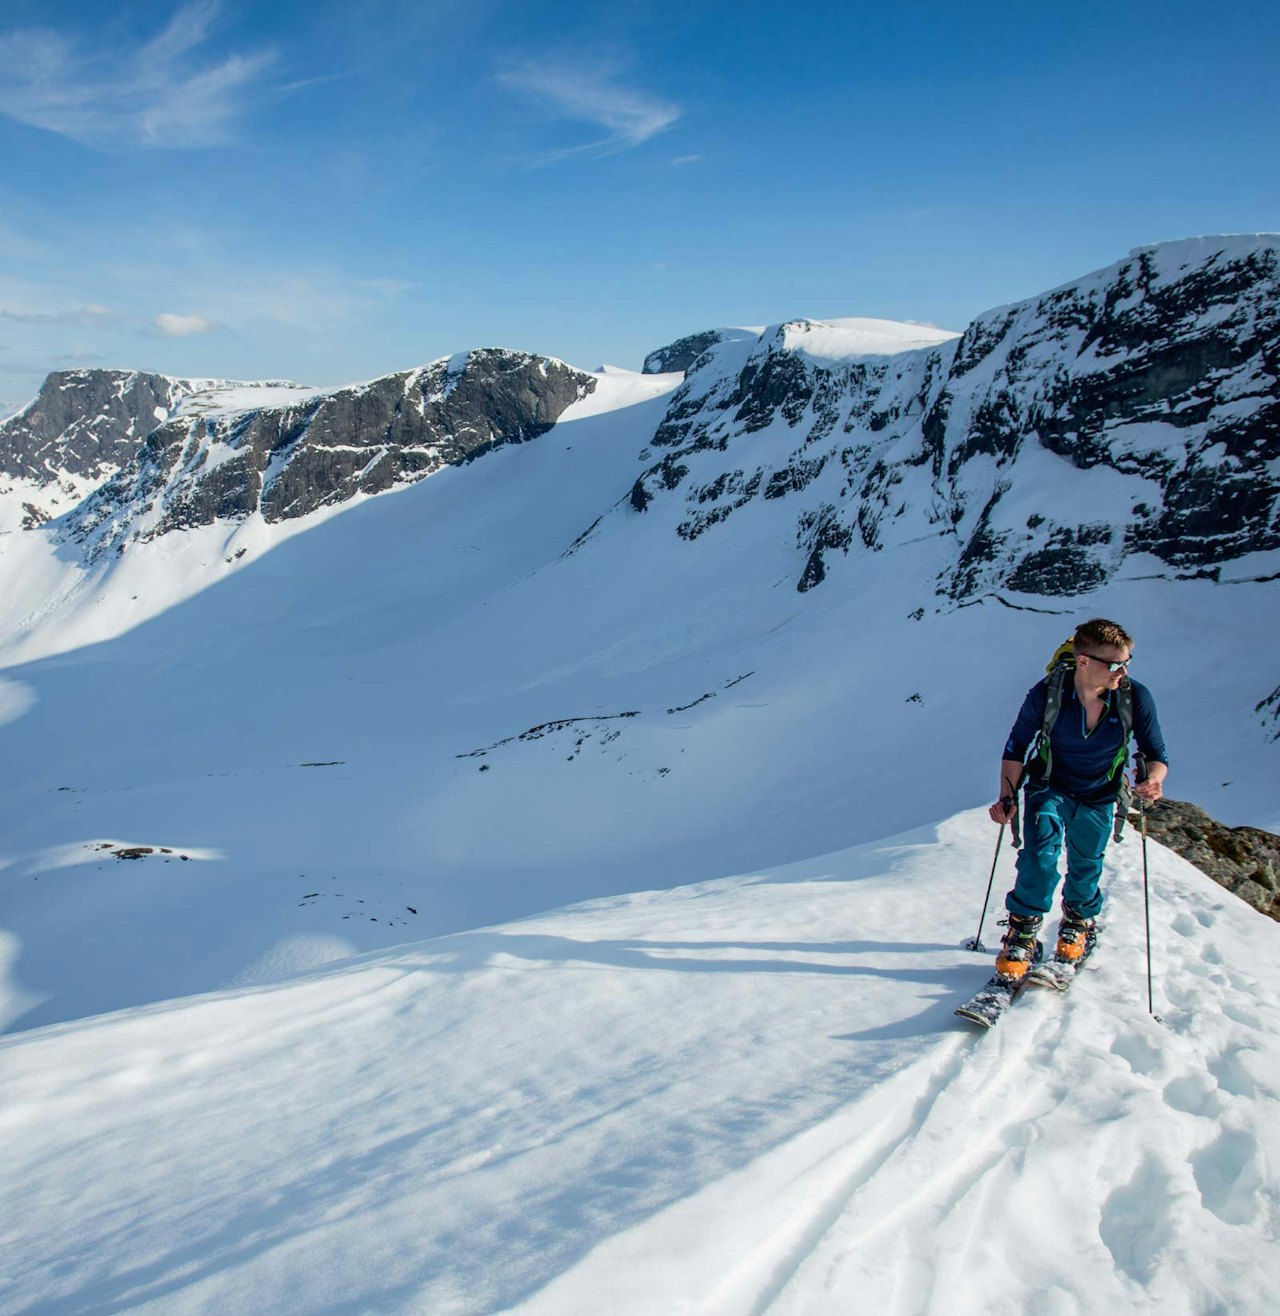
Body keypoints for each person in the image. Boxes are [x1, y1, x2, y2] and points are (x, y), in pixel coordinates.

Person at [987, 618, 1168, 981]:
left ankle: (1078, 922)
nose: (1123, 671)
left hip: (1101, 794)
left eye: (1127, 662)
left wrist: (1154, 780)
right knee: (1039, 857)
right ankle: (1022, 933)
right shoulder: (1048, 693)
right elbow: (1016, 747)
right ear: (1083, 660)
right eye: (1115, 664)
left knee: (1086, 865)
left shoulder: (1134, 697)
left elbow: (1155, 752)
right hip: (1048, 786)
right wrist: (1007, 797)